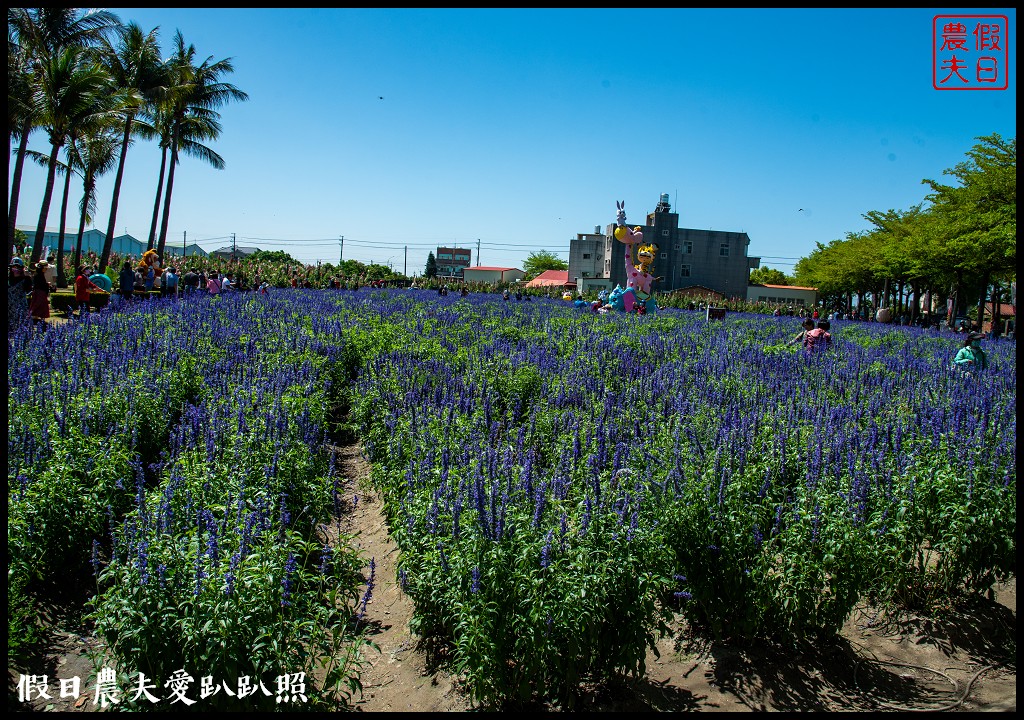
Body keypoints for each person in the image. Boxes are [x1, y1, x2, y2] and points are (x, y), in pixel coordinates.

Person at [8, 256, 33, 332]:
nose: (16, 270)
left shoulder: (25, 279)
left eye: (18, 267)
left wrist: (28, 277)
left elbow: (29, 291)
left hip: (20, 307)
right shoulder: (9, 279)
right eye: (14, 267)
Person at [28, 262, 51, 327]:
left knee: (40, 305)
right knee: (38, 304)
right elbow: (40, 284)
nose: (46, 270)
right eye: (45, 268)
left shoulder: (39, 274)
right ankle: (34, 317)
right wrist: (47, 284)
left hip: (40, 292)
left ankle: (38, 317)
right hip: (39, 292)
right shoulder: (38, 275)